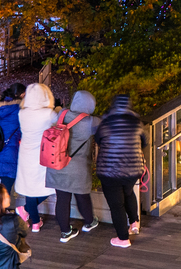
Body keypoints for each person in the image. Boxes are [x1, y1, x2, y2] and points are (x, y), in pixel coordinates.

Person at [47, 89, 100, 241]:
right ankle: (89, 222)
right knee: (82, 196)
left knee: (62, 199)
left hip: (57, 163)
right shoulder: (91, 122)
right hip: (78, 167)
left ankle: (65, 232)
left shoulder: (62, 113)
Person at [94, 94, 143, 248]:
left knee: (117, 205)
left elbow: (98, 140)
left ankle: (123, 238)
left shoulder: (106, 122)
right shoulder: (136, 122)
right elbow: (144, 141)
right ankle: (134, 223)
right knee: (128, 192)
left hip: (110, 170)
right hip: (133, 168)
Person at [13, 82, 58, 231]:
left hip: (26, 153)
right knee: (49, 187)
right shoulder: (49, 114)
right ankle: (27, 212)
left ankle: (35, 222)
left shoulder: (22, 113)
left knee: (30, 188)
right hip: (44, 154)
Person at [0, 85, 23, 193]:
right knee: (6, 186)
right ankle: (0, 209)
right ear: (19, 95)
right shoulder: (18, 109)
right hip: (10, 153)